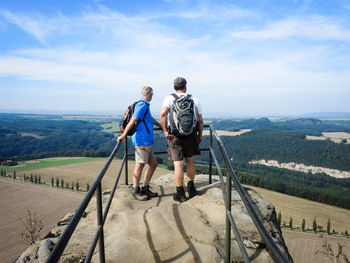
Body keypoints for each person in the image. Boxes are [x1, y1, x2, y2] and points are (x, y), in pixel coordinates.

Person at [160, 77, 203, 202]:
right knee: (190, 161)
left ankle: (180, 193)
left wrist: (165, 131)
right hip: (190, 135)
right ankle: (191, 187)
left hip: (175, 135)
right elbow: (200, 120)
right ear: (185, 86)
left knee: (178, 164)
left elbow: (163, 114)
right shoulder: (194, 99)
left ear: (174, 86)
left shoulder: (169, 98)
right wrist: (199, 135)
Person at [118, 86, 162, 201]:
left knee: (153, 164)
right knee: (140, 165)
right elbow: (133, 120)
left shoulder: (144, 105)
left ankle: (145, 188)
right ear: (151, 94)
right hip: (142, 141)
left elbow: (149, 119)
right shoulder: (142, 105)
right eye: (153, 94)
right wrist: (124, 135)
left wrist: (161, 126)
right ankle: (135, 190)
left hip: (147, 141)